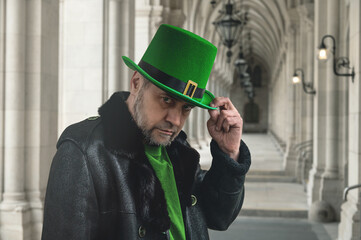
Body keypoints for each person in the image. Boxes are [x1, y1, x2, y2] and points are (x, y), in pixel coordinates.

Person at [41, 24, 251, 240]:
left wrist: (229, 152)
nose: (175, 120)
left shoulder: (178, 150)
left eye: (186, 108)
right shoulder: (83, 151)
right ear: (136, 83)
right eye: (166, 100)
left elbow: (219, 217)